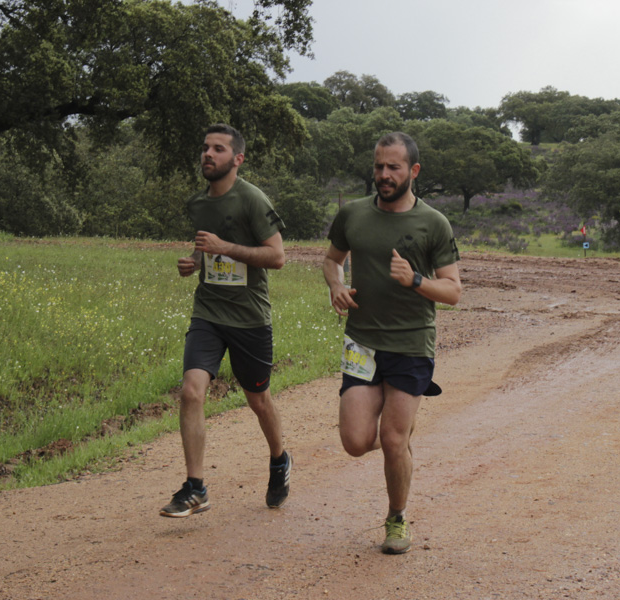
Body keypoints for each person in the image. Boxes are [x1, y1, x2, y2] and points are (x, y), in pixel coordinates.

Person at [322, 132, 462, 554]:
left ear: (413, 171)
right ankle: (396, 430)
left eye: (394, 167)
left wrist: (415, 280)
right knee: (356, 442)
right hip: (362, 343)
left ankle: (396, 518)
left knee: (394, 440)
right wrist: (336, 286)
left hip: (411, 342)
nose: (384, 175)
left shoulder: (433, 223)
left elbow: (453, 292)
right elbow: (331, 259)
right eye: (379, 166)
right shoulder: (353, 215)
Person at [162, 123, 291, 517]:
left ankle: (279, 459)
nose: (207, 154)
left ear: (237, 159)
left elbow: (277, 257)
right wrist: (195, 261)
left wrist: (226, 250)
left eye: (218, 149)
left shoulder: (252, 200)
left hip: (249, 317)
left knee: (258, 399)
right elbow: (206, 245)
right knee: (191, 391)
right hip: (209, 311)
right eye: (205, 147)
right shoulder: (198, 204)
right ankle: (196, 487)